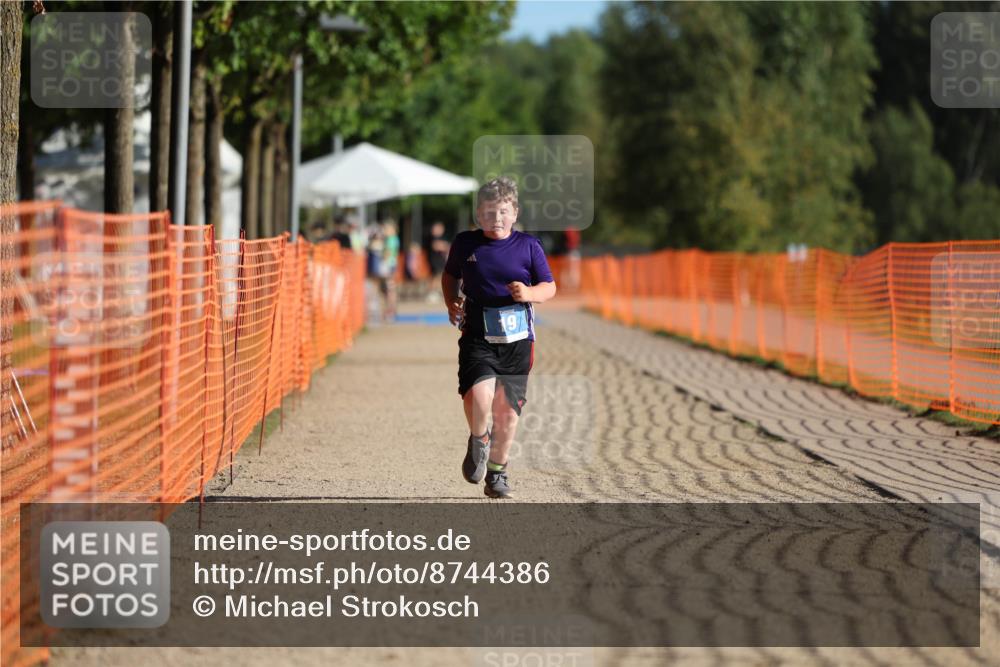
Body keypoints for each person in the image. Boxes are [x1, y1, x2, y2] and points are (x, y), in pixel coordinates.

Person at [441, 177, 557, 498]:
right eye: (489, 212)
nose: (496, 219)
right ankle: (479, 439)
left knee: (506, 411)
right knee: (478, 397)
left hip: (519, 339)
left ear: (515, 212)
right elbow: (450, 275)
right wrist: (451, 301)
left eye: (503, 212)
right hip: (478, 331)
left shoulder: (528, 246)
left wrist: (529, 291)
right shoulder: (466, 244)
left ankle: (497, 473)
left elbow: (549, 287)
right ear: (478, 214)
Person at [423, 221, 450, 303]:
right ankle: (431, 293)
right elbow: (436, 246)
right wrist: (444, 246)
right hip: (434, 260)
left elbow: (446, 246)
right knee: (434, 277)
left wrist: (444, 246)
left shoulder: (441, 237)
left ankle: (434, 293)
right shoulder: (432, 237)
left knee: (438, 277)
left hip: (439, 260)